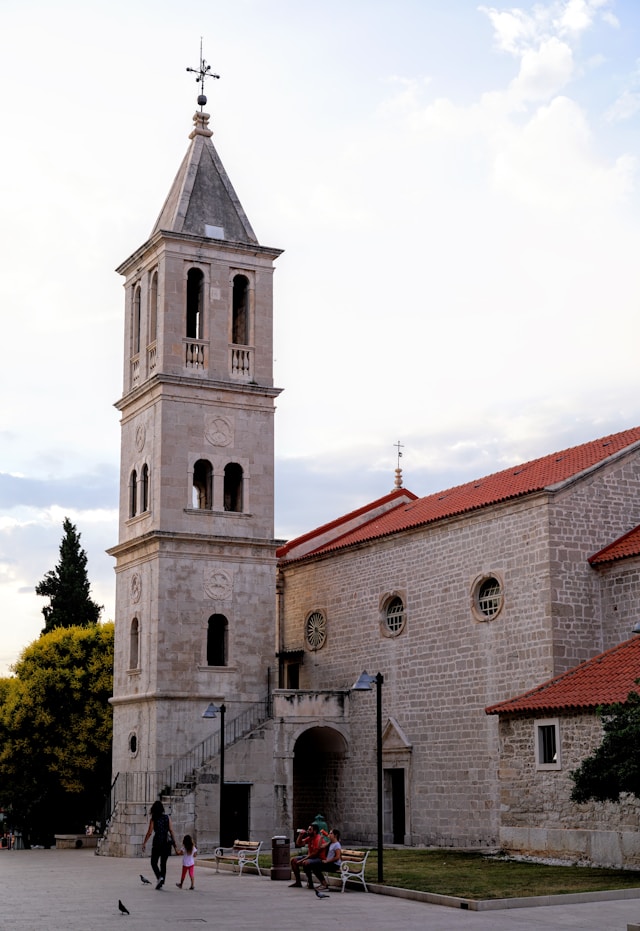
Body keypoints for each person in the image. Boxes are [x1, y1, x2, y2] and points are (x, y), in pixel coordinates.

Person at [141, 800, 179, 889]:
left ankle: (159, 877)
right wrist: (175, 844)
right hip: (166, 843)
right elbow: (171, 831)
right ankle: (161, 881)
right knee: (163, 863)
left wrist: (144, 843)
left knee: (153, 862)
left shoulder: (153, 819)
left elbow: (149, 832)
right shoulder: (167, 818)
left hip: (157, 842)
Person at [289, 823, 324, 888]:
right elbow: (299, 844)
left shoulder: (318, 839)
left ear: (315, 831)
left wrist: (302, 860)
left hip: (318, 858)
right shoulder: (310, 838)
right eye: (308, 829)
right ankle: (298, 882)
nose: (308, 831)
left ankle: (310, 882)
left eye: (310, 829)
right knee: (293, 860)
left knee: (306, 862)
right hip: (310, 857)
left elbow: (314, 854)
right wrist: (300, 835)